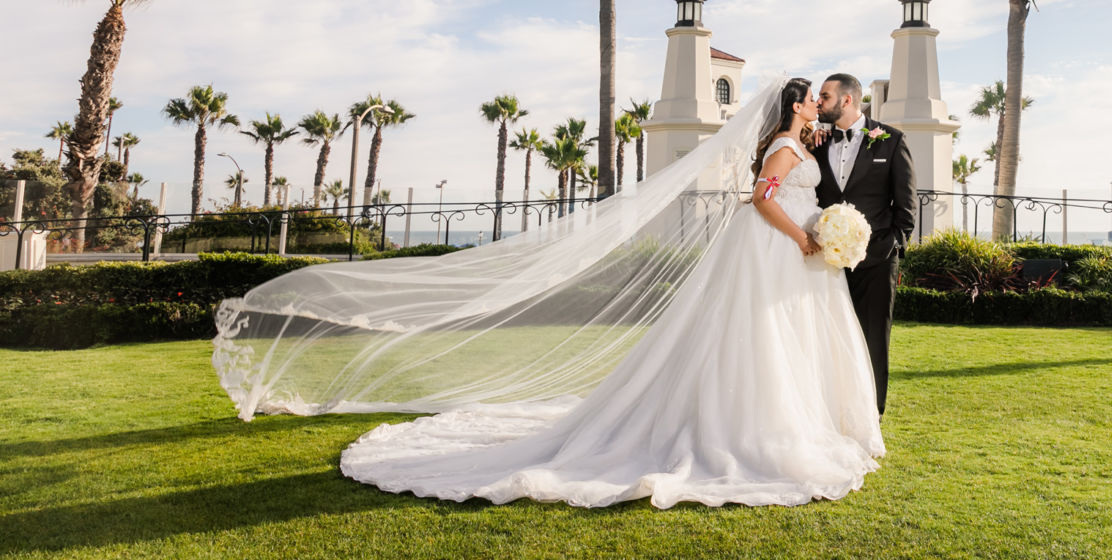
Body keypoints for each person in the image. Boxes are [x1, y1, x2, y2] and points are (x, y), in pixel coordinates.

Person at [331, 77, 885, 508]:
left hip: (787, 254)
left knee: (784, 335)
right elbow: (764, 198)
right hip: (776, 247)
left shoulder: (795, 142)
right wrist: (803, 238)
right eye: (813, 99)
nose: (818, 105)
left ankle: (795, 420)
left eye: (821, 99)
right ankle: (758, 430)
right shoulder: (785, 147)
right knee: (760, 335)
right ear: (794, 106)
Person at [811, 73, 917, 416]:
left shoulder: (891, 141)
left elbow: (906, 209)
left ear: (846, 100)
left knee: (873, 339)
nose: (818, 103)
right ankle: (831, 411)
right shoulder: (817, 143)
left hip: (876, 262)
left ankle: (872, 414)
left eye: (824, 96)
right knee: (828, 338)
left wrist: (892, 247)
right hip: (825, 264)